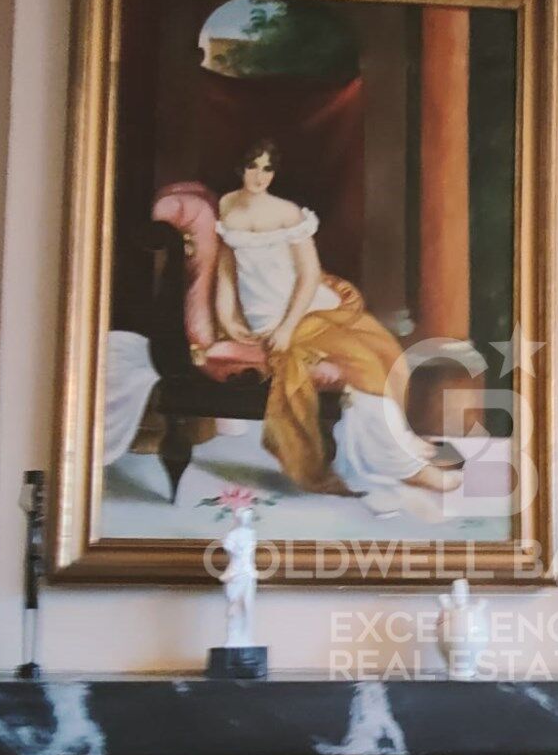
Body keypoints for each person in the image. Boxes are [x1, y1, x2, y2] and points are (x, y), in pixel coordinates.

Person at [161, 140, 460, 507]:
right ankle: (404, 466)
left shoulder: (288, 213)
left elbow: (308, 276)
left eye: (267, 168)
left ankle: (401, 443)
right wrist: (227, 319)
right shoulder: (227, 206)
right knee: (363, 365)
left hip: (304, 308)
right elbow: (226, 272)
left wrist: (288, 327)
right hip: (265, 318)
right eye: (253, 167)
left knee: (381, 349)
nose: (260, 176)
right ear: (241, 169)